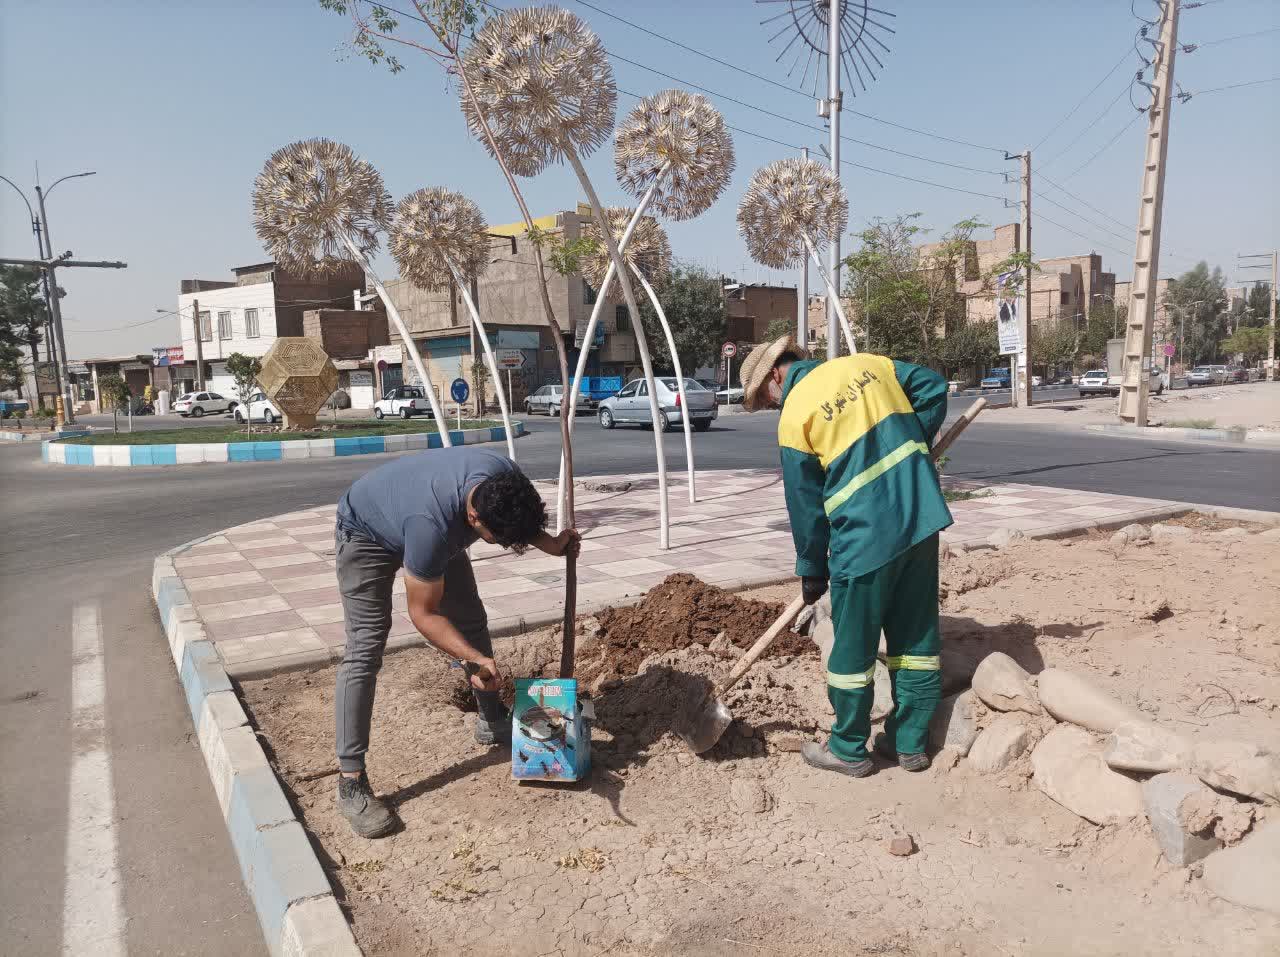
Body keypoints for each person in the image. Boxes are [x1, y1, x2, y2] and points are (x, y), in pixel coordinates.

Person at [332, 445, 579, 837]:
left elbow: (514, 515)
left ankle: (491, 719)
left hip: (424, 517)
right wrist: (474, 658)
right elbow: (423, 615)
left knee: (470, 619)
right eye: (495, 540)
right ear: (473, 517)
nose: (499, 544)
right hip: (366, 533)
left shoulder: (503, 479)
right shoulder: (431, 528)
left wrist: (550, 543)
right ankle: (350, 782)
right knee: (365, 648)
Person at [738, 336, 952, 777]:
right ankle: (909, 744)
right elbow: (933, 387)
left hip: (864, 537)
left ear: (776, 373)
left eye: (764, 398)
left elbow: (805, 506)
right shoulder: (869, 365)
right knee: (915, 639)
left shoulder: (796, 412)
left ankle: (849, 748)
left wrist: (812, 570)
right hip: (919, 518)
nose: (771, 406)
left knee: (853, 647)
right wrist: (911, 447)